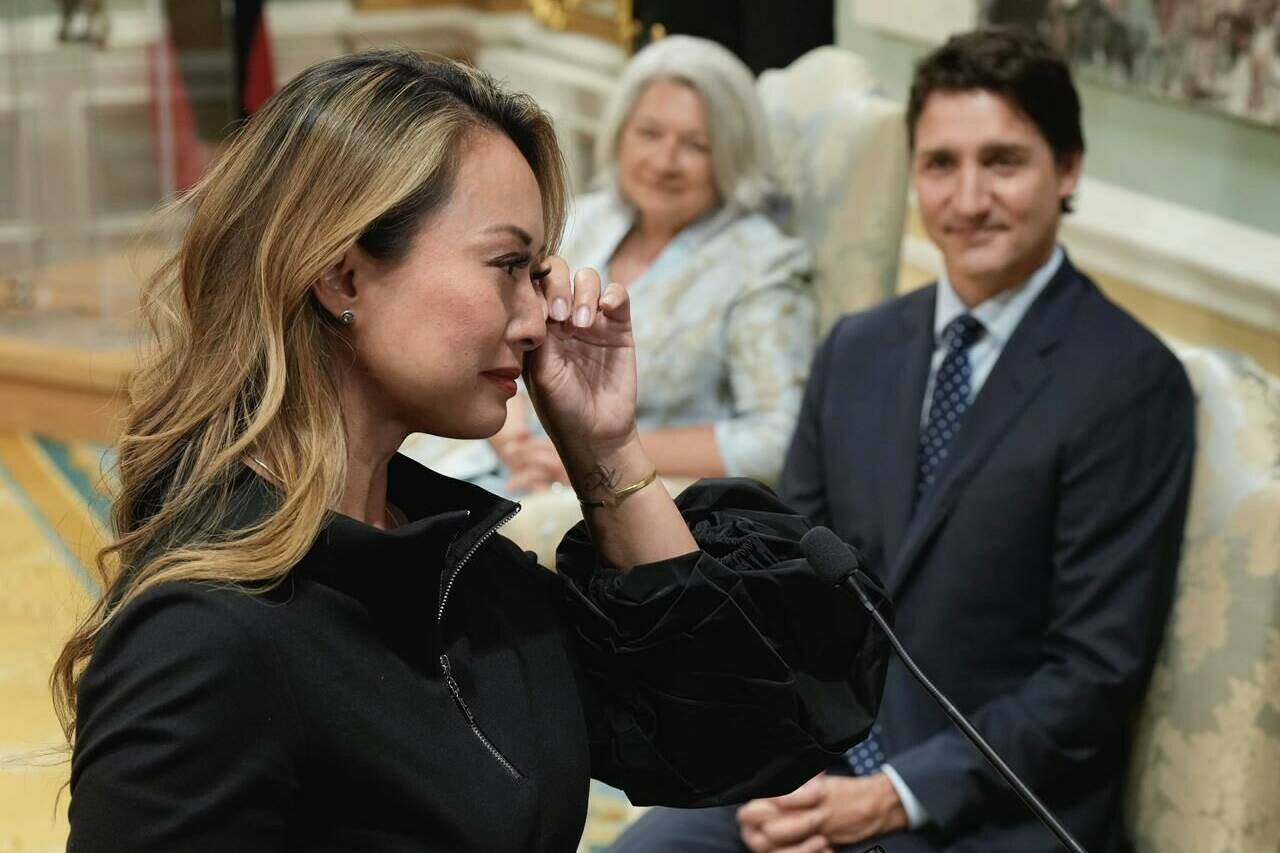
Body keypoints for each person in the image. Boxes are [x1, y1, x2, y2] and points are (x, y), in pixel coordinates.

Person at [53, 50, 890, 852]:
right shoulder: (203, 635)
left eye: (538, 275)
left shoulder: (459, 570)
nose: (535, 322)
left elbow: (735, 733)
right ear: (341, 277)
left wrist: (605, 450)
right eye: (507, 266)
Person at [608, 26, 1195, 853]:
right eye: (940, 164)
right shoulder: (857, 347)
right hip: (815, 769)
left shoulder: (1131, 381)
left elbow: (1092, 676)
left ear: (1067, 170)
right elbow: (785, 593)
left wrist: (896, 796)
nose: (967, 198)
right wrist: (793, 757)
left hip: (989, 807)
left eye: (1003, 162)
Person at [484, 35, 815, 495]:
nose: (665, 162)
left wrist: (595, 452)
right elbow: (502, 331)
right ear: (620, 132)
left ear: (731, 154)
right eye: (649, 133)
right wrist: (513, 438)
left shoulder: (763, 264)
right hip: (501, 456)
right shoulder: (579, 218)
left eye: (695, 145)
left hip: (630, 492)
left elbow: (776, 441)